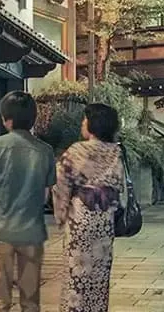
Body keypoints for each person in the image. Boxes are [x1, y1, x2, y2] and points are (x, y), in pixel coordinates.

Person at [0, 91, 55, 312]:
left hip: (1, 229)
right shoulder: (45, 150)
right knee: (30, 301)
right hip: (31, 229)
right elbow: (45, 195)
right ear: (33, 118)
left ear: (7, 119)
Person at [53, 103, 124, 312]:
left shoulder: (77, 150)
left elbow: (61, 183)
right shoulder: (116, 152)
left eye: (85, 119)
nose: (82, 123)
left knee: (77, 273)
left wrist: (61, 213)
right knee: (99, 274)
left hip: (81, 218)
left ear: (94, 124)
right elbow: (119, 186)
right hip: (104, 219)